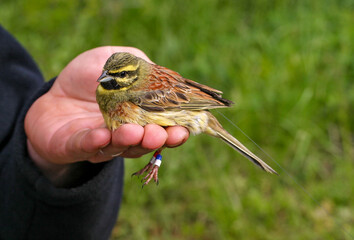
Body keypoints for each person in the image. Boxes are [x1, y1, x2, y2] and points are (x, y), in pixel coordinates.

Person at [0, 26, 189, 239]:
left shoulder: (140, 91)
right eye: (106, 73)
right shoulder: (105, 92)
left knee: (158, 135)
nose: (103, 78)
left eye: (118, 75)